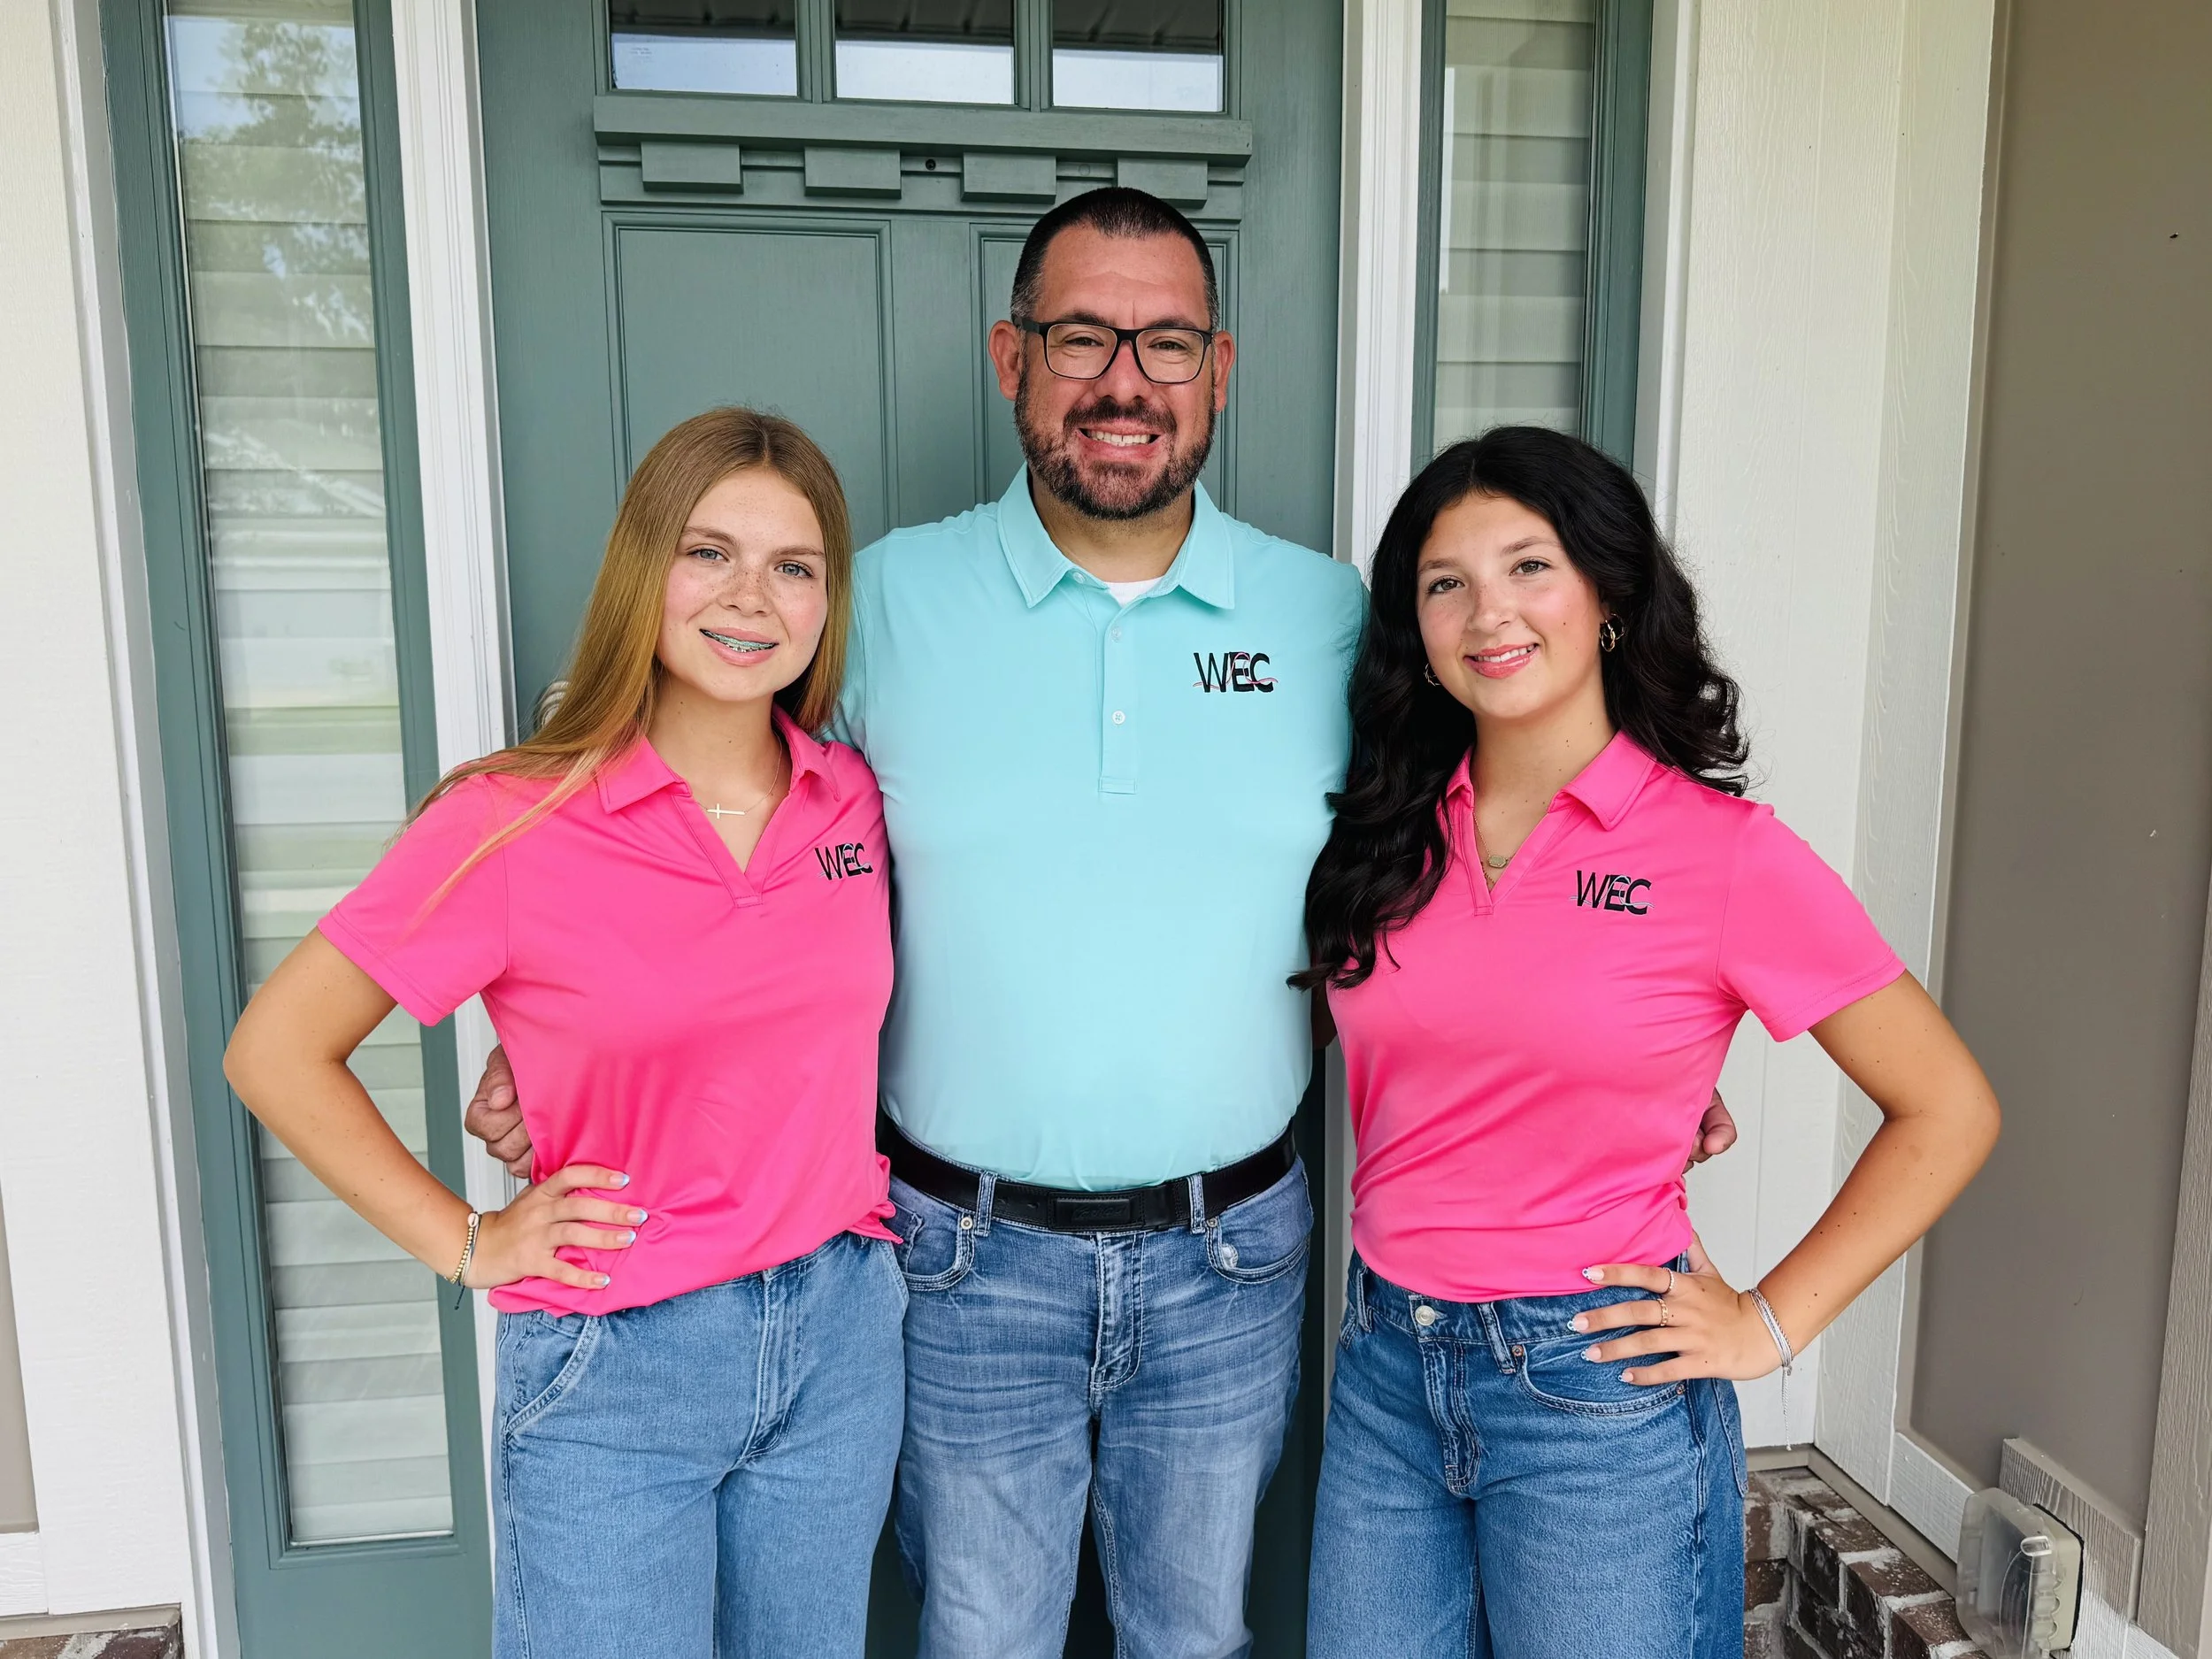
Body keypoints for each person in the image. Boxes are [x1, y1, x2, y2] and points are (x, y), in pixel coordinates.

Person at [465, 188, 1740, 1657]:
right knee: (985, 1635)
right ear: (1012, 357)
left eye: (1167, 343)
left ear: (1220, 369)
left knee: (1195, 1635)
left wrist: (1635, 1064)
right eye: (1082, 337)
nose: (1124, 380)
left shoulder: (1335, 620)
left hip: (1235, 1259)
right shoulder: (871, 603)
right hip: (958, 1254)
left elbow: (1490, 833)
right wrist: (562, 1042)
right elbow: (699, 799)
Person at [1298, 426, 2001, 1659]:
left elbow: (1949, 1105)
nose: (1487, 612)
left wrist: (1769, 1322)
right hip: (1386, 1373)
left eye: (1530, 566)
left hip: (1595, 1394)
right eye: (1445, 582)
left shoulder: (1720, 854)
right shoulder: (1389, 827)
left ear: (1610, 595)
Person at [224, 410, 904, 1659]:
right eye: (709, 552)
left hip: (842, 1338)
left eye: (793, 566)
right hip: (617, 1357)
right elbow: (273, 1050)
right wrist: (470, 1238)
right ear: (644, 571)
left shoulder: (852, 794)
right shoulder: (511, 821)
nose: (750, 595)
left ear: (826, 601)